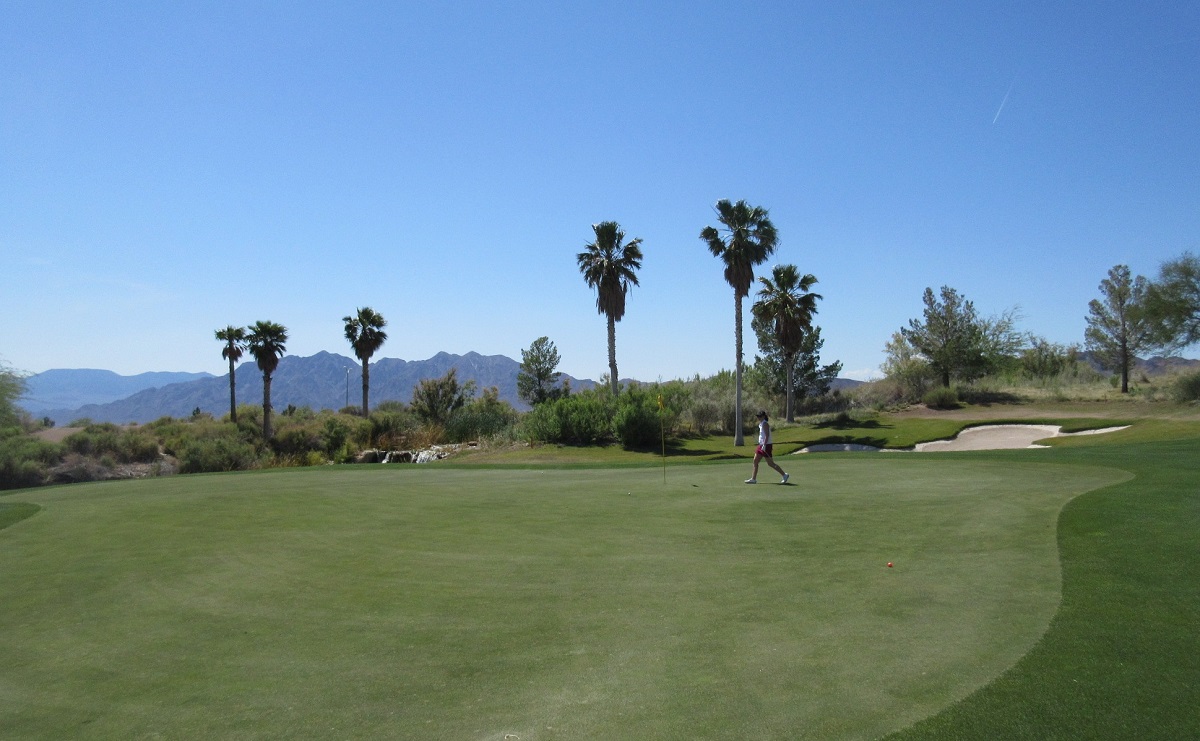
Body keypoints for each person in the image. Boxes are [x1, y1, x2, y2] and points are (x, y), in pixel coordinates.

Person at [746, 410, 789, 484]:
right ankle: (753, 479)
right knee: (755, 461)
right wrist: (761, 444)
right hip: (761, 445)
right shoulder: (761, 424)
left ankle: (784, 475)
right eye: (757, 416)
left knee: (770, 463)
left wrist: (764, 445)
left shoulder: (765, 424)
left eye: (759, 416)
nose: (758, 417)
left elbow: (767, 435)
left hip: (766, 445)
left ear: (763, 416)